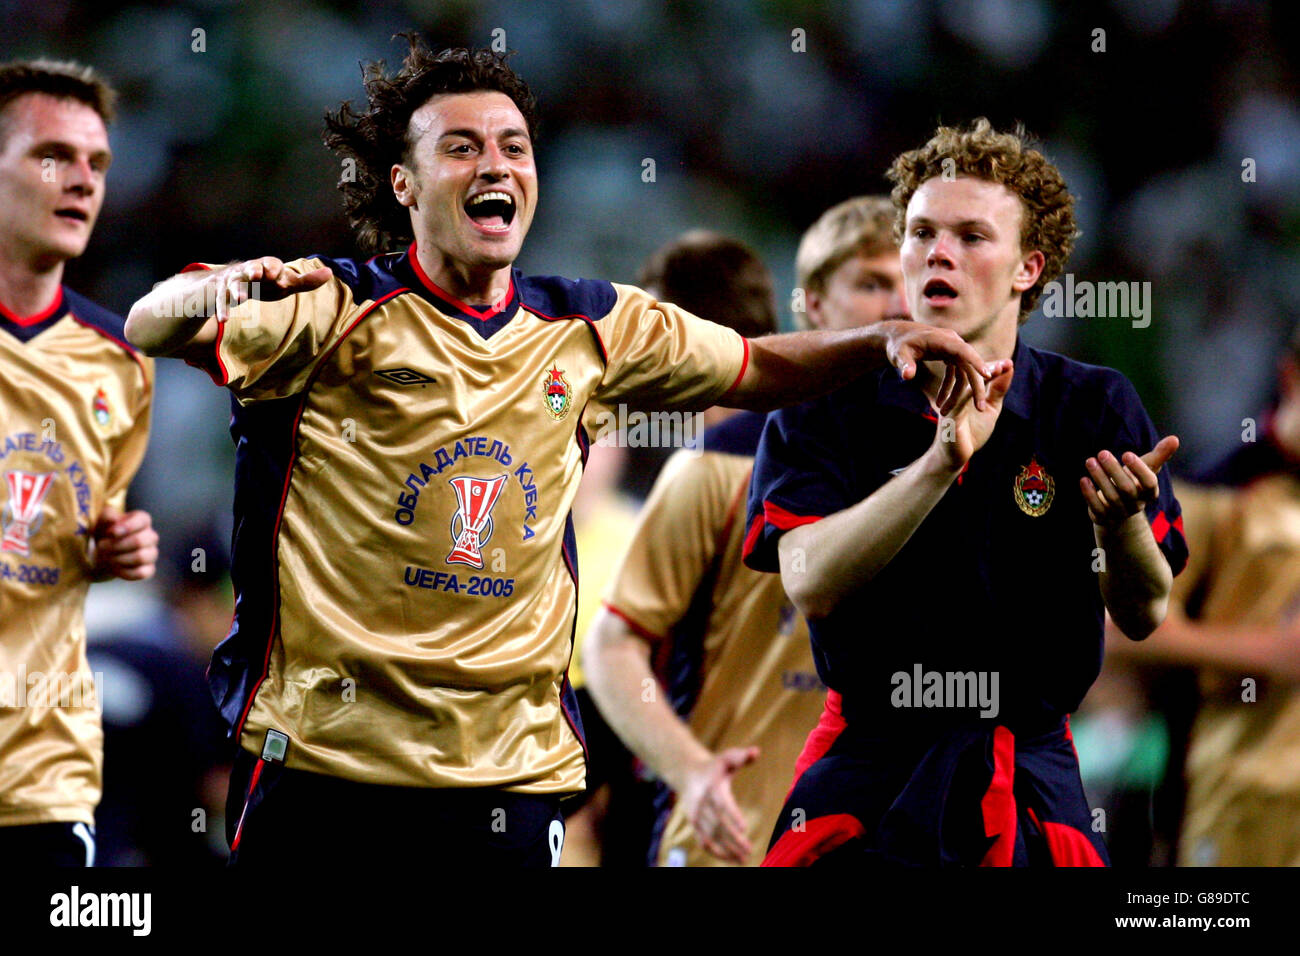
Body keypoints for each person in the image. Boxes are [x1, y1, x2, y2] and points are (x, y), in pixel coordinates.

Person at [123, 38, 991, 868]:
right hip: (327, 770)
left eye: (514, 147)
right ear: (403, 184)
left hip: (509, 781)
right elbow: (151, 324)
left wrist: (879, 339)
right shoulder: (330, 308)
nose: (495, 165)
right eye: (461, 148)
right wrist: (215, 287)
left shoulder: (592, 326)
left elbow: (757, 365)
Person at [744, 119, 1188, 867]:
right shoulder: (825, 402)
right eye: (921, 233)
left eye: (972, 236)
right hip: (869, 763)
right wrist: (938, 463)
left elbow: (1144, 614)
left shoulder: (1092, 406)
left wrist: (1119, 530)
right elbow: (809, 582)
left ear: (1027, 268)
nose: (937, 253)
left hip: (1028, 768)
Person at [583, 199, 906, 866]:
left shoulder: (945, 463)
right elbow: (612, 646)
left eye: (910, 285)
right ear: (812, 306)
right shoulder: (717, 467)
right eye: (873, 283)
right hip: (731, 842)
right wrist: (691, 769)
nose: (898, 307)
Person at [0, 59, 158, 866]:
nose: (83, 180)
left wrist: (114, 547)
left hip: (44, 771)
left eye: (97, 162)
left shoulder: (121, 363)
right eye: (52, 156)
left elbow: (69, 532)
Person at [1105, 322, 1300, 865]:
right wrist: (1274, 654)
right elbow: (1117, 633)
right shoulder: (1216, 491)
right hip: (1230, 804)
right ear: (1291, 377)